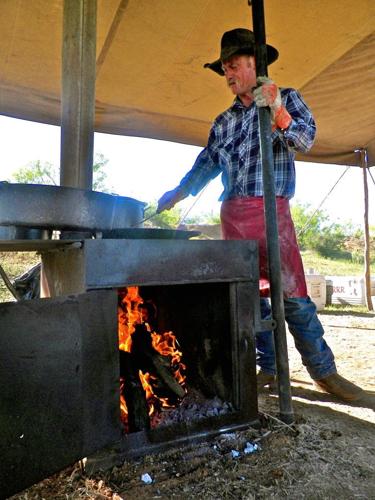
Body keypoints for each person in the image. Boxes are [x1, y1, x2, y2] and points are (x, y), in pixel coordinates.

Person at [157, 28, 364, 402]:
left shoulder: (287, 99)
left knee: (294, 295)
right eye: (224, 68)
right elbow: (205, 164)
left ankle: (324, 371)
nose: (229, 74)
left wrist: (279, 112)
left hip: (271, 211)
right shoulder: (223, 122)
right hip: (233, 215)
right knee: (249, 298)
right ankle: (267, 369)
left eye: (234, 65)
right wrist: (180, 191)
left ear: (255, 63)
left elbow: (305, 140)